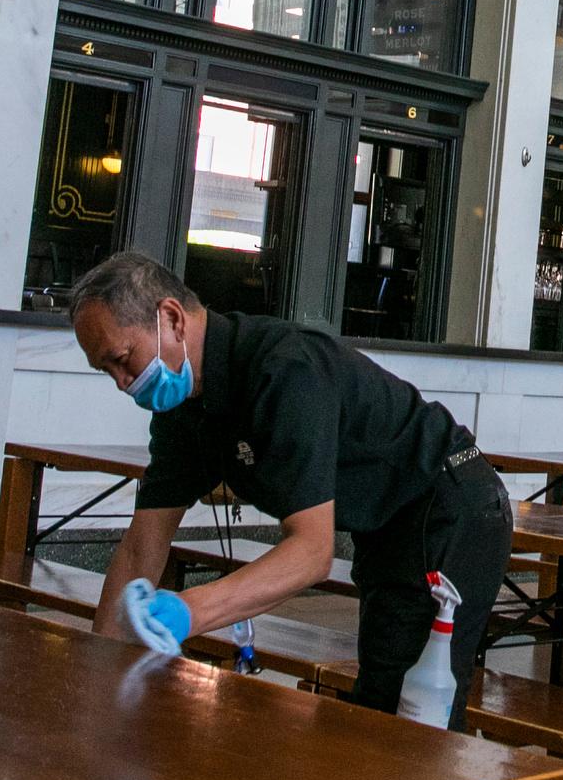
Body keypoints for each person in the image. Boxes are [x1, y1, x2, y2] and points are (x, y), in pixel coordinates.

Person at [66, 251, 513, 727]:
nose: (122, 384)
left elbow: (312, 553)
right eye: (106, 371)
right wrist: (99, 677)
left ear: (171, 318)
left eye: (122, 360)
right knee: (383, 700)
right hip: (384, 523)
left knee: (409, 709)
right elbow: (141, 548)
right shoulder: (180, 410)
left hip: (448, 506)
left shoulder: (283, 371)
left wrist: (185, 612)